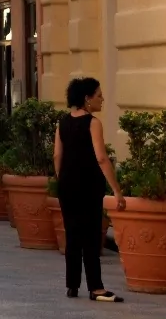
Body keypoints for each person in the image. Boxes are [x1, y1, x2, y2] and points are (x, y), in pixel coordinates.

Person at [55, 77, 126, 303]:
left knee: (72, 234)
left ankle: (72, 285)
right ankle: (96, 287)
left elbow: (57, 155)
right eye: (98, 95)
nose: (102, 98)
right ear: (87, 99)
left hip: (67, 185)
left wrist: (62, 178)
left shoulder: (62, 123)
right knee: (91, 236)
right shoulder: (93, 123)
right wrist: (116, 189)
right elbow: (102, 158)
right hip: (88, 185)